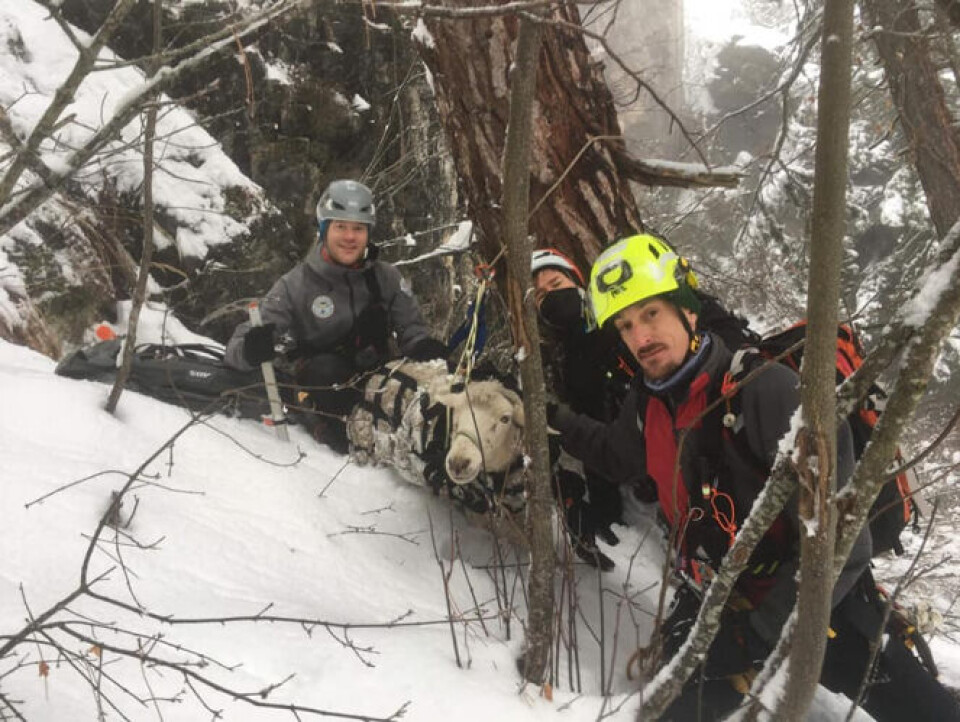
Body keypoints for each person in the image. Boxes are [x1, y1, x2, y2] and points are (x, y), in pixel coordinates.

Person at [548, 233, 958, 720]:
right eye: (626, 324)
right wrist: (546, 415)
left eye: (652, 313)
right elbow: (616, 455)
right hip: (728, 603)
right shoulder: (649, 403)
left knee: (924, 711)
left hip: (822, 609)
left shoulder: (765, 392)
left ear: (689, 311)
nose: (641, 338)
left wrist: (759, 633)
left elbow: (843, 543)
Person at [225, 179, 447, 452]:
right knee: (326, 371)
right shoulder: (295, 285)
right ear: (323, 229)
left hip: (378, 381)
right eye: (340, 226)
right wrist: (250, 349)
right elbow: (236, 348)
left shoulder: (385, 277)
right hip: (322, 390)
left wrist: (426, 350)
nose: (350, 237)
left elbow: (413, 332)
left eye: (358, 228)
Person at [531, 248, 642, 570]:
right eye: (540, 295)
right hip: (615, 466)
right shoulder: (556, 356)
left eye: (556, 283)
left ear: (578, 283)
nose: (550, 295)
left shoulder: (620, 325)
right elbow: (586, 427)